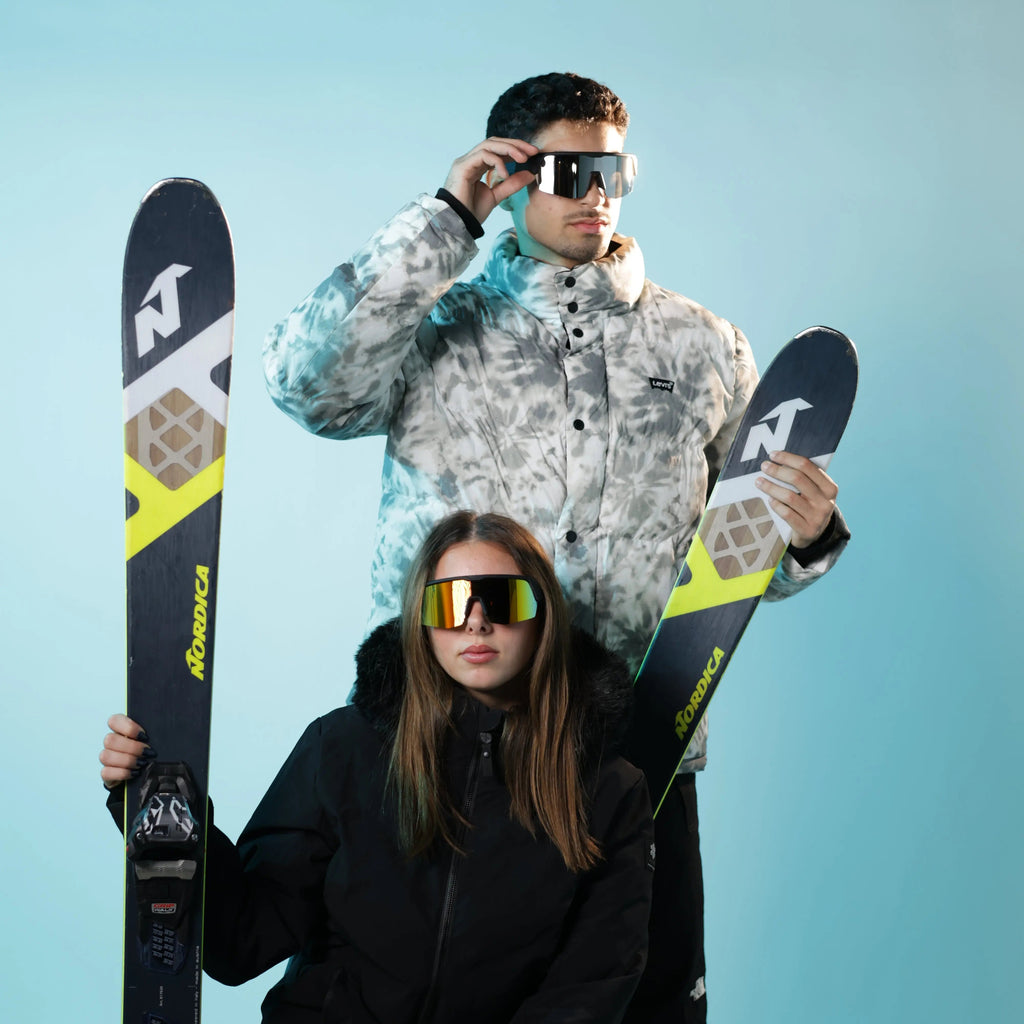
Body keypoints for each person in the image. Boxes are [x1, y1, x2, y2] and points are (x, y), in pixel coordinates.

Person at [262, 72, 850, 1021]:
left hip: (641, 751)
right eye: (569, 171)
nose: (596, 194)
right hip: (448, 752)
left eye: (614, 171)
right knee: (410, 995)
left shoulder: (705, 348)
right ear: (511, 176)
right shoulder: (433, 330)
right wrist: (447, 216)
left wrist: (807, 539)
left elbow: (739, 568)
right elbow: (303, 384)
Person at [101, 511, 655, 1024]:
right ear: (421, 619)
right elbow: (241, 942)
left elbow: (590, 986)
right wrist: (165, 813)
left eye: (502, 599)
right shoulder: (344, 746)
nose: (476, 622)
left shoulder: (611, 791)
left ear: (543, 615)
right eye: (451, 602)